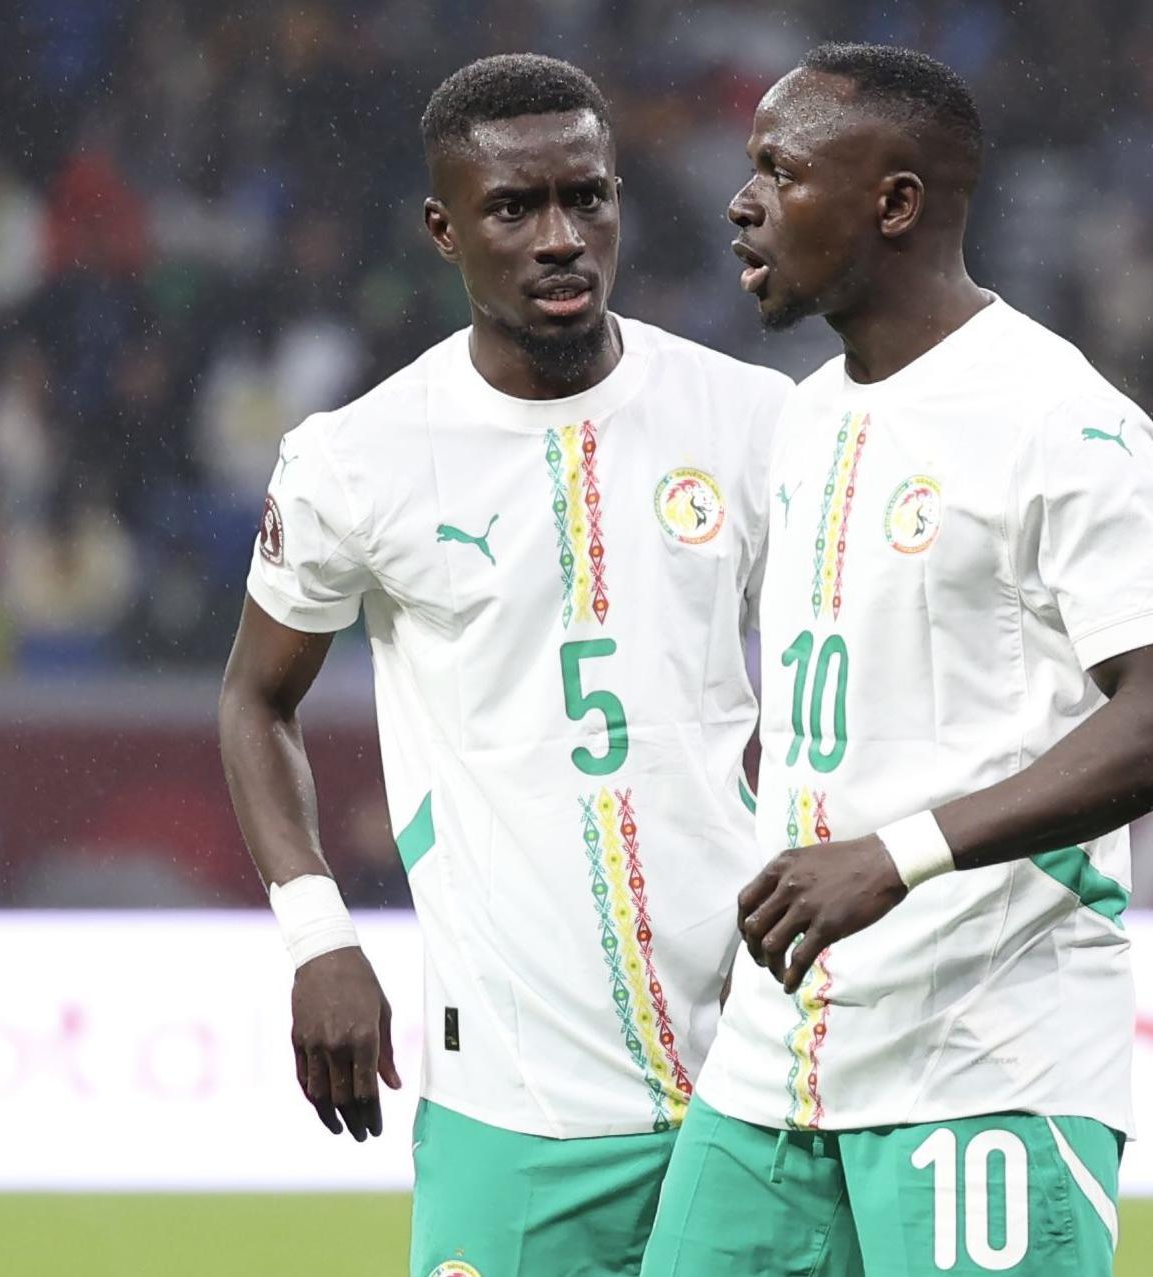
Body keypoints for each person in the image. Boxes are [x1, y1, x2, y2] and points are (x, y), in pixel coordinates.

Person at [640, 45, 1153, 1277]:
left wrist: (897, 853)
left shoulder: (1065, 421)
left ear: (894, 203)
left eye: (780, 171)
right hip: (776, 1055)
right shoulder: (803, 417)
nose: (741, 202)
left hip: (986, 1052)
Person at [216, 54, 791, 1277]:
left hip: (757, 1070)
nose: (560, 237)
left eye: (587, 198)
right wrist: (318, 934)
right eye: (513, 209)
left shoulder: (748, 421)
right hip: (514, 1099)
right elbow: (256, 698)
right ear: (443, 229)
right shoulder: (355, 461)